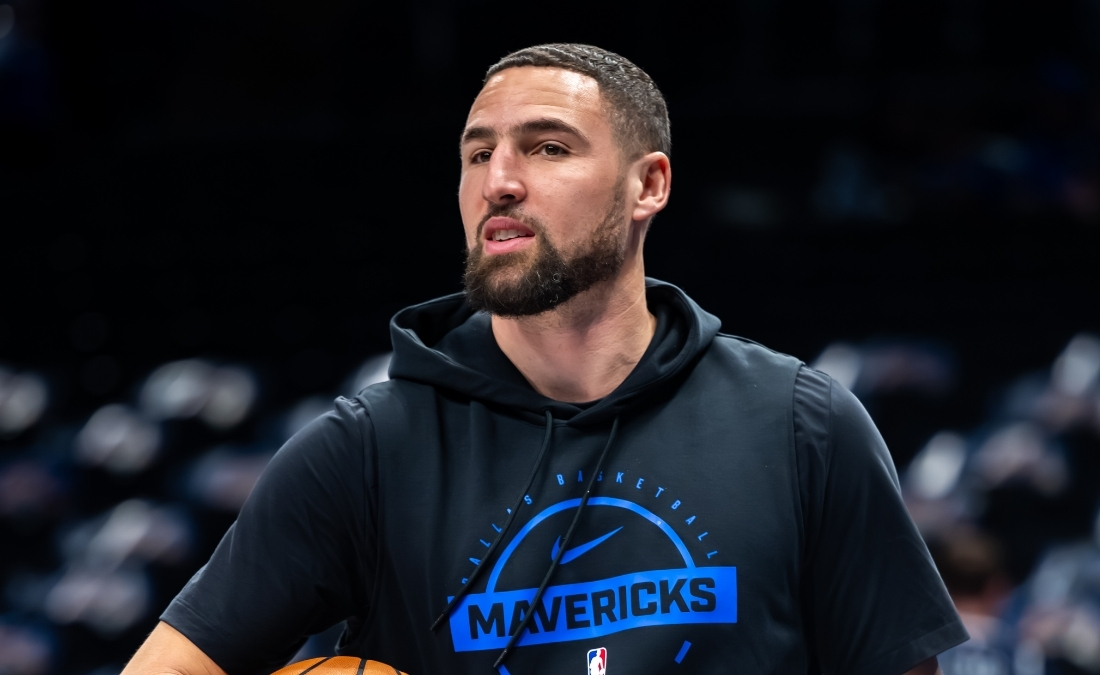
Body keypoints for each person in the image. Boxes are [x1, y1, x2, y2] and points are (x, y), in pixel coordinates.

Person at [121, 43, 968, 675]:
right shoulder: (365, 451)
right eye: (478, 152)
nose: (500, 180)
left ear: (649, 185)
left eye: (548, 147)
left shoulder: (799, 423)